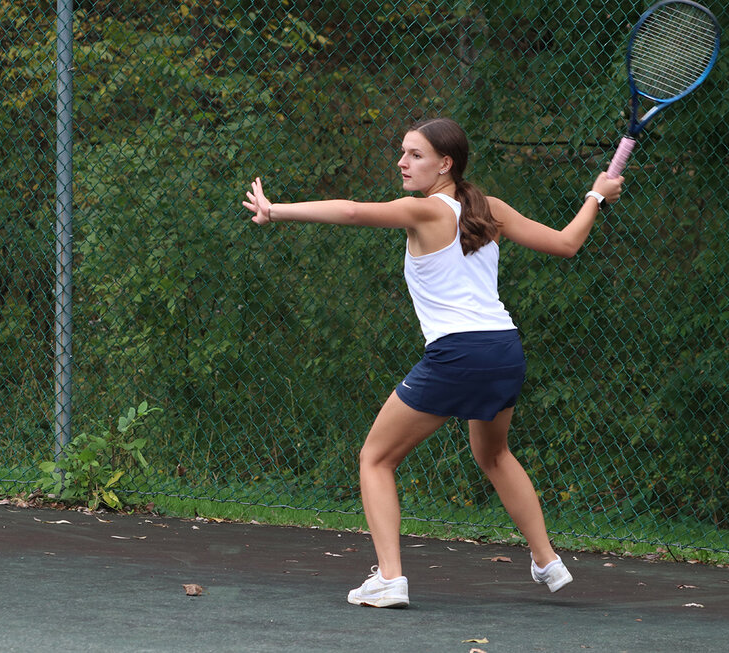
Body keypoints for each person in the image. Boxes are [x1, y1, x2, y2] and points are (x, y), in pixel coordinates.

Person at [242, 117, 623, 608]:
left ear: (446, 164)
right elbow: (568, 244)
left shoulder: (424, 211)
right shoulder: (491, 209)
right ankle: (548, 560)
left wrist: (277, 210)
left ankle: (390, 578)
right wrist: (595, 196)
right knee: (494, 455)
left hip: (459, 352)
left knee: (376, 458)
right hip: (504, 349)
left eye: (415, 155)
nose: (402, 162)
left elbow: (353, 212)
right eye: (402, 152)